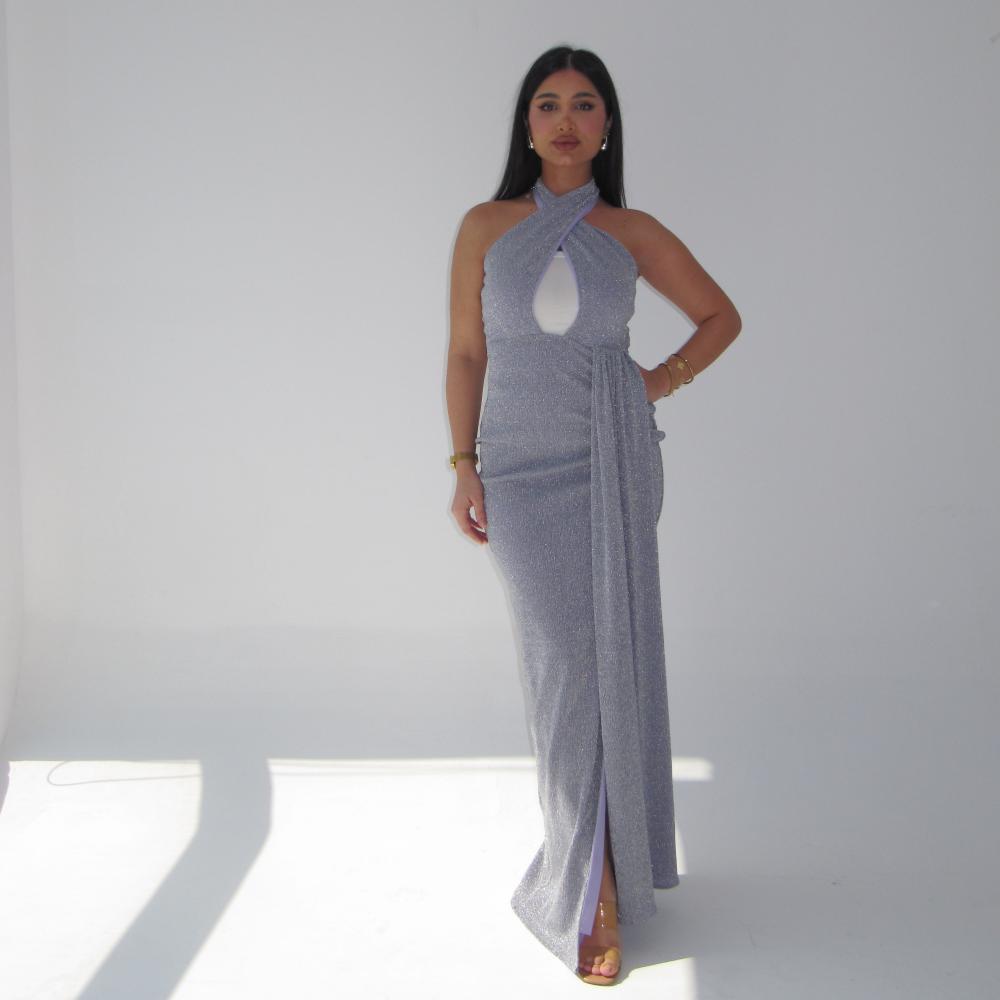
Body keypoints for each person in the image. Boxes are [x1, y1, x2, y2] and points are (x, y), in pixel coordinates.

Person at [445, 45, 741, 984]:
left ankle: (599, 884)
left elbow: (721, 317)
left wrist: (657, 380)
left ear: (607, 125)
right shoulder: (485, 226)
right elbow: (466, 354)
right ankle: (585, 869)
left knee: (608, 658)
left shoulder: (631, 230)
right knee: (563, 670)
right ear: (526, 124)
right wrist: (464, 465)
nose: (565, 120)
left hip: (611, 460)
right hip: (518, 470)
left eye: (584, 104)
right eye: (547, 103)